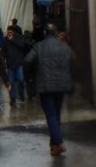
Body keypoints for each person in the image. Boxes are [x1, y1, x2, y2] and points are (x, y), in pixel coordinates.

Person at [25, 23, 77, 156]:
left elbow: (27, 61)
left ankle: (59, 142)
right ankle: (54, 145)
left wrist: (30, 77)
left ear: (44, 33)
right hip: (61, 85)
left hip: (45, 85)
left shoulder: (39, 46)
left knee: (51, 114)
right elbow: (73, 60)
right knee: (56, 113)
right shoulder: (64, 46)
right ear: (55, 33)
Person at [2, 25, 27, 105]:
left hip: (19, 63)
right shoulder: (5, 40)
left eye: (10, 32)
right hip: (10, 64)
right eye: (8, 31)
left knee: (21, 79)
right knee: (11, 82)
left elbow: (22, 45)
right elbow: (3, 51)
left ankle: (21, 95)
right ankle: (12, 99)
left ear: (13, 32)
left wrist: (12, 39)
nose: (9, 33)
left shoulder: (18, 37)